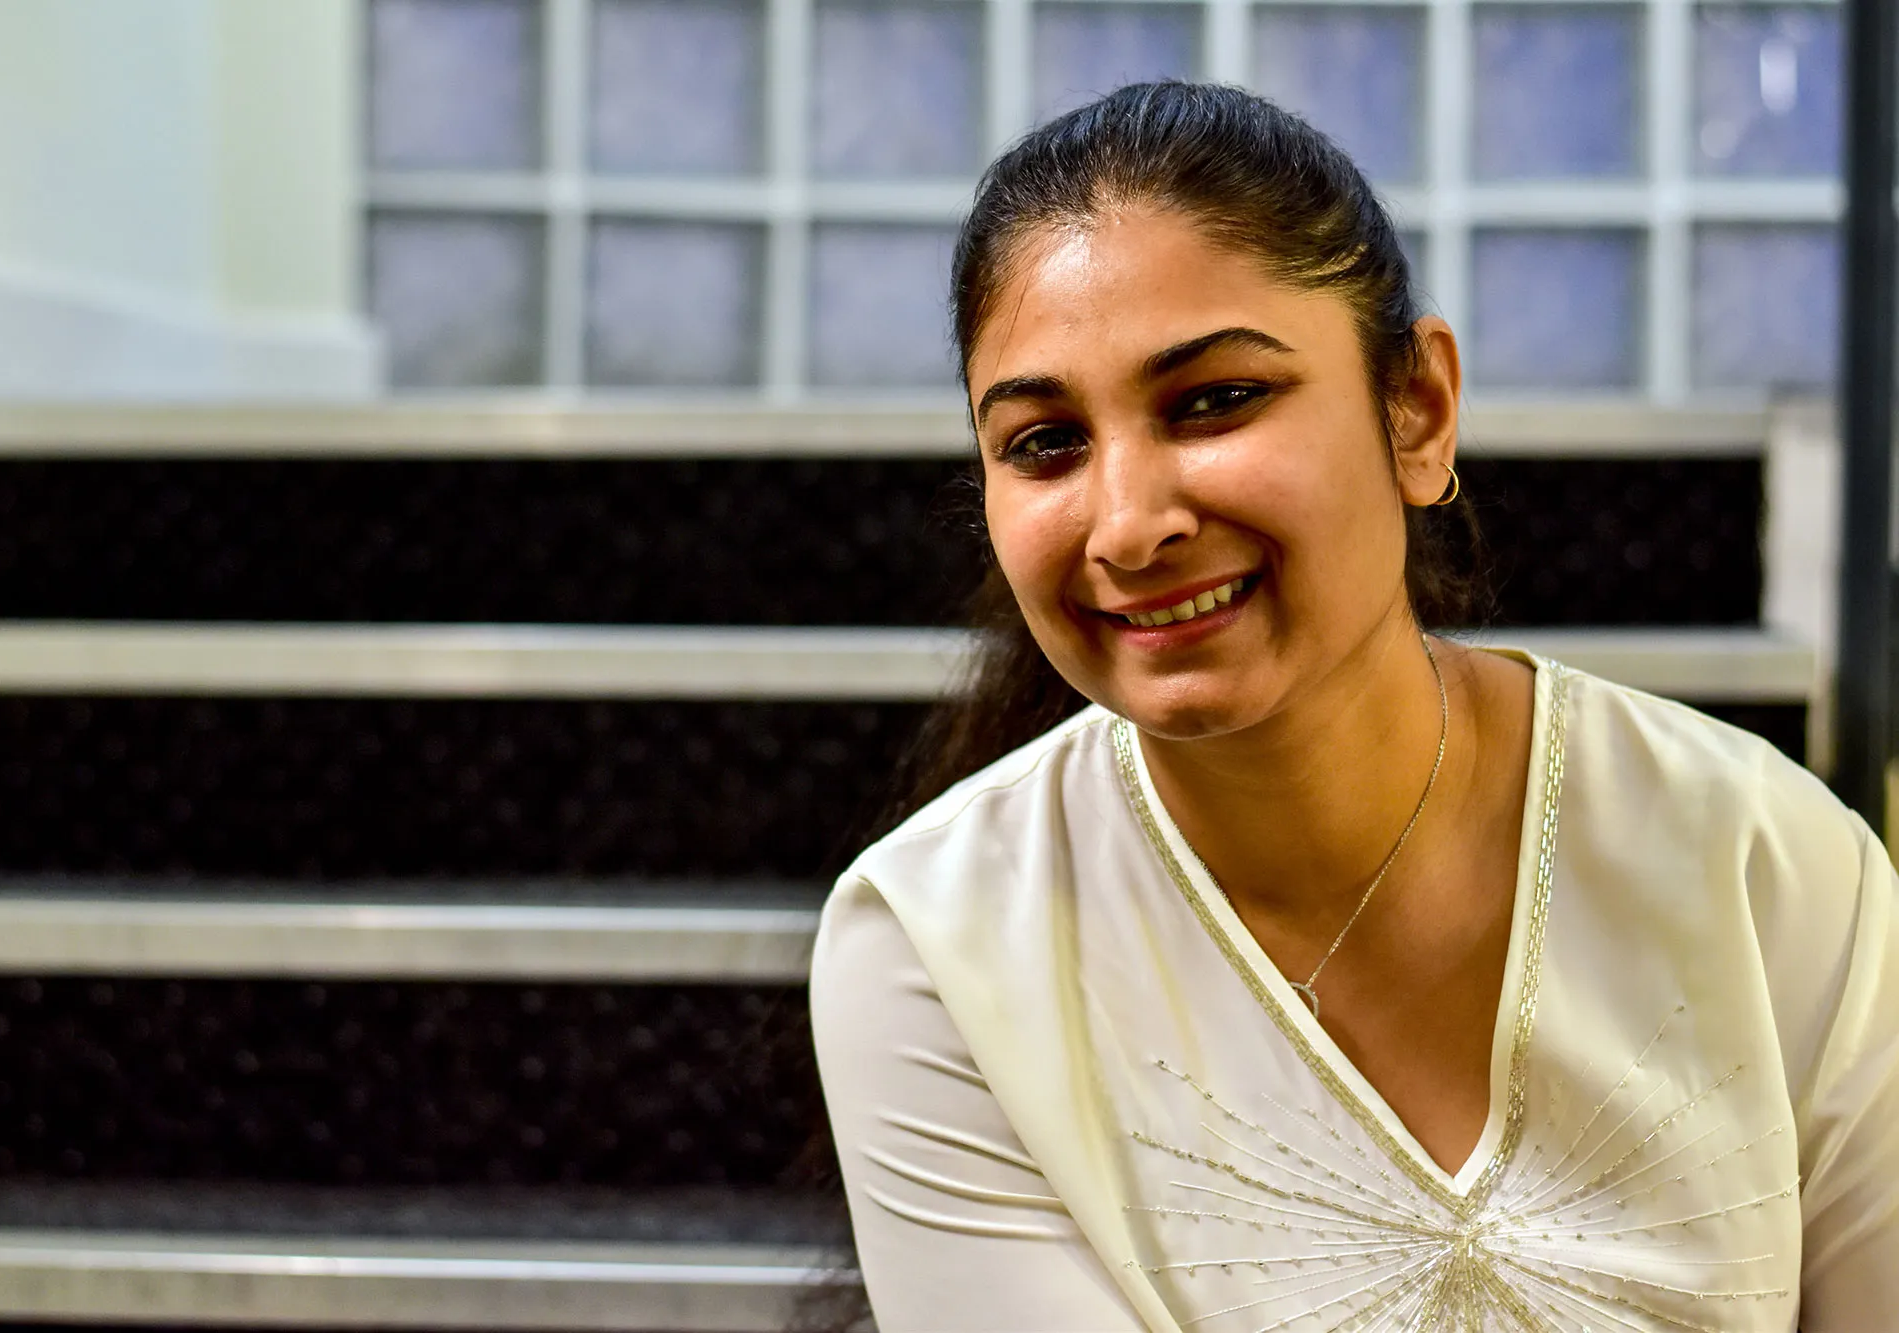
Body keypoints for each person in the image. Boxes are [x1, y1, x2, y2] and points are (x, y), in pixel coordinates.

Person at [808, 81, 1899, 1331]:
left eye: (1213, 400)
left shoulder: (1764, 862)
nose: (1129, 522)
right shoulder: (931, 950)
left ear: (1417, 410)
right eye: (1044, 442)